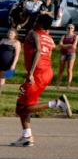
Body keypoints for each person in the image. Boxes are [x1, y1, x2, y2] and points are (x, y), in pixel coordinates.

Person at [10, 14, 72, 146]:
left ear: (40, 23)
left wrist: (31, 73)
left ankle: (57, 103)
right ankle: (27, 136)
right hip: (46, 73)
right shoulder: (49, 38)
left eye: (37, 20)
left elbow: (38, 51)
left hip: (37, 74)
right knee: (24, 104)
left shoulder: (33, 34)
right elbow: (50, 50)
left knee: (22, 108)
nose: (35, 21)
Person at [55, 23, 78, 88]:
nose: (70, 29)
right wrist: (69, 45)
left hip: (71, 53)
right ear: (66, 29)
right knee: (61, 69)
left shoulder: (75, 36)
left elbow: (74, 46)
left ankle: (68, 84)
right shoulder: (64, 36)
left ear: (73, 29)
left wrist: (64, 46)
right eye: (68, 28)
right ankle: (58, 84)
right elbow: (60, 45)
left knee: (69, 69)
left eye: (71, 28)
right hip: (63, 53)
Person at [0, 27, 22, 95]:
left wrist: (13, 64)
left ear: (15, 34)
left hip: (7, 64)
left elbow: (17, 55)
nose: (10, 34)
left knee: (2, 79)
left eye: (12, 33)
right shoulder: (3, 40)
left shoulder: (17, 42)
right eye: (9, 32)